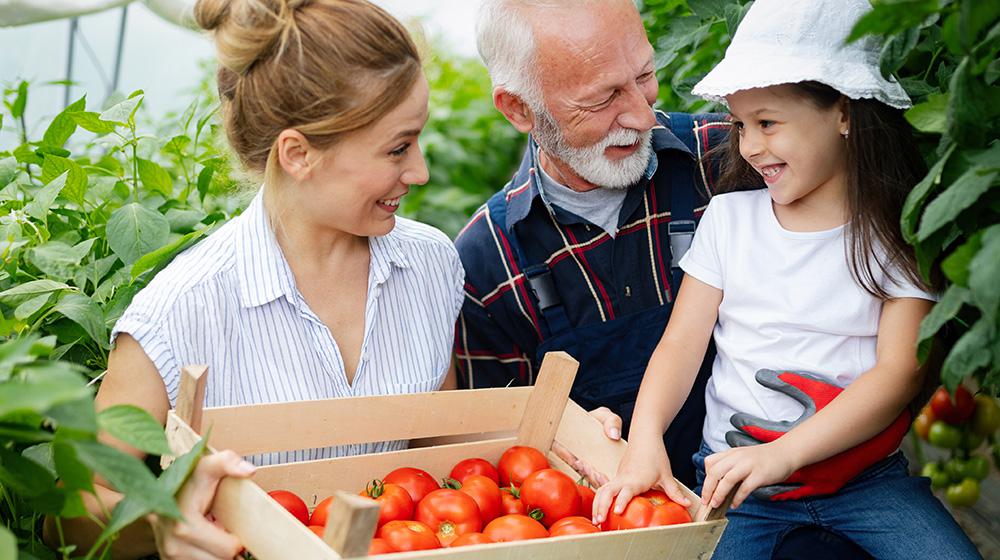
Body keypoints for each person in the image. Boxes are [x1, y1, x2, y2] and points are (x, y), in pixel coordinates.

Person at [46, 1, 464, 558]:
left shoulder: (430, 268)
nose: (419, 171)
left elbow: (448, 464)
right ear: (298, 154)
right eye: (397, 148)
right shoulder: (182, 310)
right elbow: (66, 513)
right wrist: (166, 515)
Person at [592, 1, 981, 558]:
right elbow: (680, 343)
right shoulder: (731, 220)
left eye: (768, 123)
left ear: (843, 113)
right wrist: (646, 435)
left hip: (865, 481)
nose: (749, 146)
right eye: (740, 125)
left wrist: (785, 453)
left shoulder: (896, 233)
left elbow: (898, 372)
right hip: (735, 480)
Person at [454, 0, 726, 490]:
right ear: (519, 108)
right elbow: (500, 456)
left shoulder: (732, 161)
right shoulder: (486, 263)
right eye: (603, 100)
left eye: (645, 74)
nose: (643, 115)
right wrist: (559, 442)